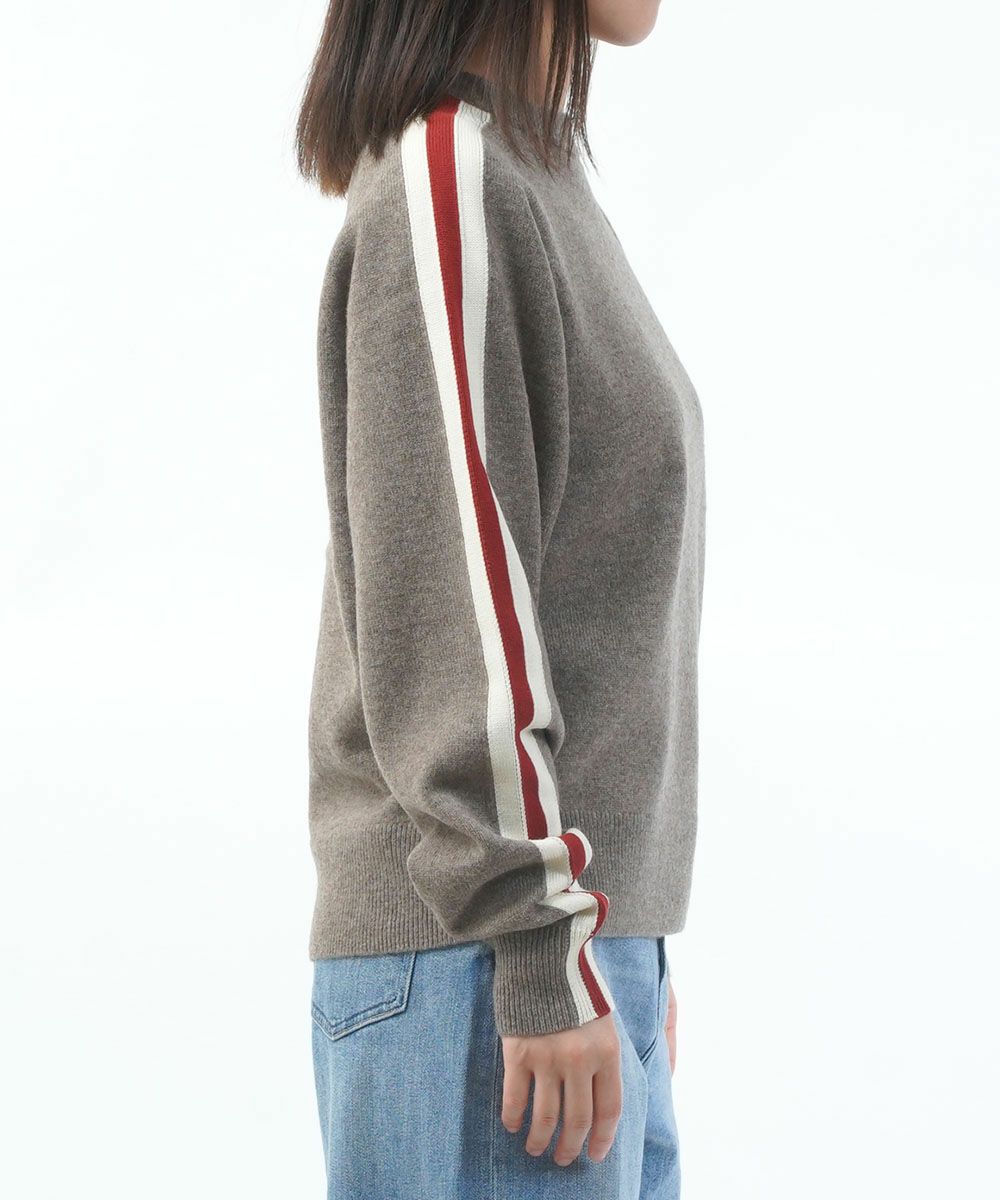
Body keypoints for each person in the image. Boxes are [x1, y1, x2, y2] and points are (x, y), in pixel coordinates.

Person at [297, 2, 705, 1195]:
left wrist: (618, 953)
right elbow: (452, 607)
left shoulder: (529, 174)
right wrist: (541, 950)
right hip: (481, 963)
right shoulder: (451, 176)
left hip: (556, 955)